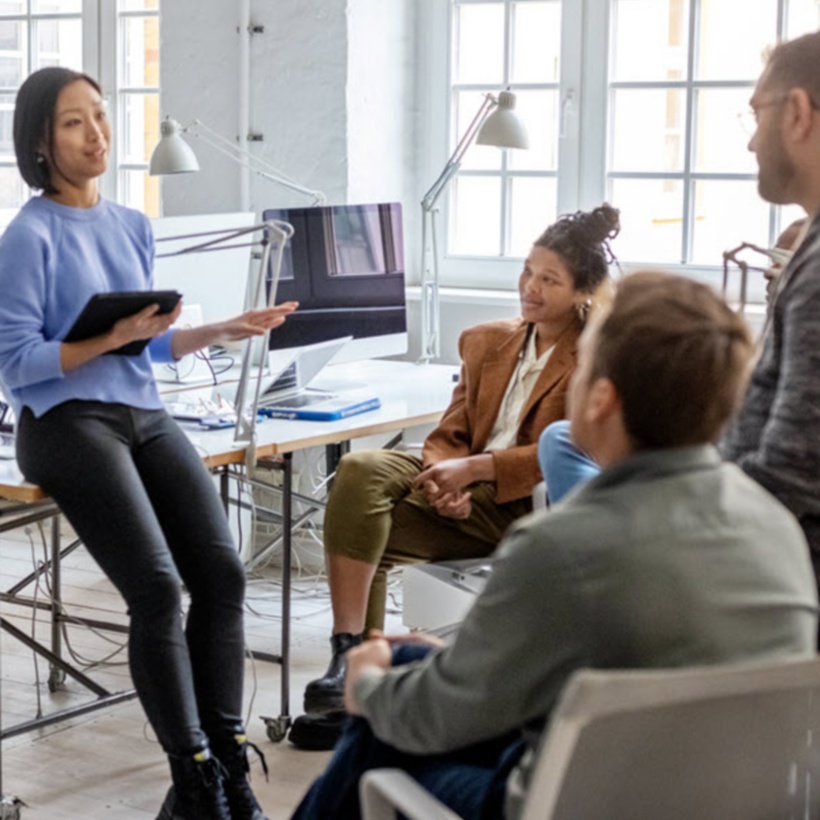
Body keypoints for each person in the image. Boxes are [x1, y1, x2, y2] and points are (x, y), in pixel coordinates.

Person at [290, 271, 819, 820]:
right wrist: (457, 661)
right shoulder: (775, 527)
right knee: (413, 659)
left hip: (572, 804)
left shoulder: (560, 547)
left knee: (380, 721)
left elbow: (433, 721)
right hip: (726, 799)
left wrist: (368, 683)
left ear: (601, 399)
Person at [0, 67, 298, 820]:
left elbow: (144, 351)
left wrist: (216, 330)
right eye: (74, 122)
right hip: (63, 423)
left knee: (224, 576)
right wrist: (112, 336)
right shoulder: (26, 236)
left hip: (141, 414)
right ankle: (194, 777)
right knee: (159, 590)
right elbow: (15, 366)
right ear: (40, 140)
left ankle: (227, 760)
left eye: (101, 116)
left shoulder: (131, 224)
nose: (96, 133)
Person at [289, 205, 620, 750]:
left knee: (361, 528)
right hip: (460, 488)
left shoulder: (596, 356)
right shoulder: (486, 341)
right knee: (359, 472)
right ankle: (350, 652)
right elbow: (452, 428)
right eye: (527, 271)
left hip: (522, 506)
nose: (530, 288)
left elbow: (572, 450)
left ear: (583, 292)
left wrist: (478, 470)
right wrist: (446, 476)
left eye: (549, 280)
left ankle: (361, 682)